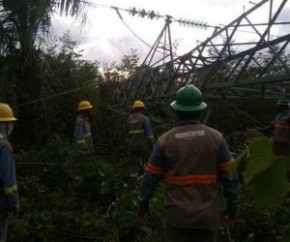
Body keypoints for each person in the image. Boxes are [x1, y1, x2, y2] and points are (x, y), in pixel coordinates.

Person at [138, 84, 240, 242]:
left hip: (177, 218)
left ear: (176, 111)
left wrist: (142, 207)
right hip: (207, 218)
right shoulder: (216, 138)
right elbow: (231, 179)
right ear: (200, 110)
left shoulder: (165, 140)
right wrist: (232, 210)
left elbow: (149, 179)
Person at [0, 103, 20, 242]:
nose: (11, 127)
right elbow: (7, 179)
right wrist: (14, 201)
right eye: (9, 123)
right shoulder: (4, 146)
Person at [126, 100, 154, 177]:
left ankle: (134, 182)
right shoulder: (145, 119)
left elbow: (127, 136)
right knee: (149, 161)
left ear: (134, 109)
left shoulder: (128, 120)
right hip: (143, 146)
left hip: (132, 146)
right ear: (142, 109)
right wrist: (152, 148)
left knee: (134, 165)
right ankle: (147, 179)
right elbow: (149, 136)